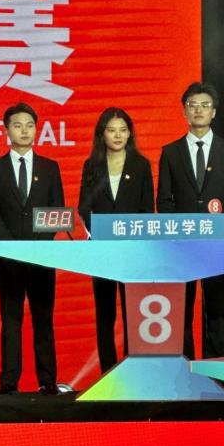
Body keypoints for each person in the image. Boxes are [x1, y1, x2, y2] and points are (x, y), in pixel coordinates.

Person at [0, 102, 65, 395]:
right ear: (7, 130)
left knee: (44, 320)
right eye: (18, 126)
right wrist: (13, 247)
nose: (25, 131)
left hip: (42, 257)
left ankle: (48, 381)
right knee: (11, 321)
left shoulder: (50, 168)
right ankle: (8, 382)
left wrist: (38, 247)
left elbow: (57, 211)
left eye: (30, 125)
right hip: (8, 259)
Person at [157, 81, 224, 358]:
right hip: (182, 245)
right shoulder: (171, 152)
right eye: (192, 105)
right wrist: (176, 237)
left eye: (205, 105)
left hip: (217, 245)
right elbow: (164, 202)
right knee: (181, 309)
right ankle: (185, 366)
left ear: (214, 112)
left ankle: (214, 366)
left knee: (216, 310)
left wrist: (221, 233)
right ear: (184, 112)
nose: (198, 110)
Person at [77, 108, 155, 372]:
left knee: (133, 311)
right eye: (111, 130)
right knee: (105, 313)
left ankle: (133, 369)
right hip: (102, 251)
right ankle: (108, 371)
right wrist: (99, 233)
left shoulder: (141, 165)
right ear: (102, 134)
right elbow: (84, 207)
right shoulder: (92, 165)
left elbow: (147, 209)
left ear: (130, 133)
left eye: (123, 130)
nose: (118, 135)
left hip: (133, 251)